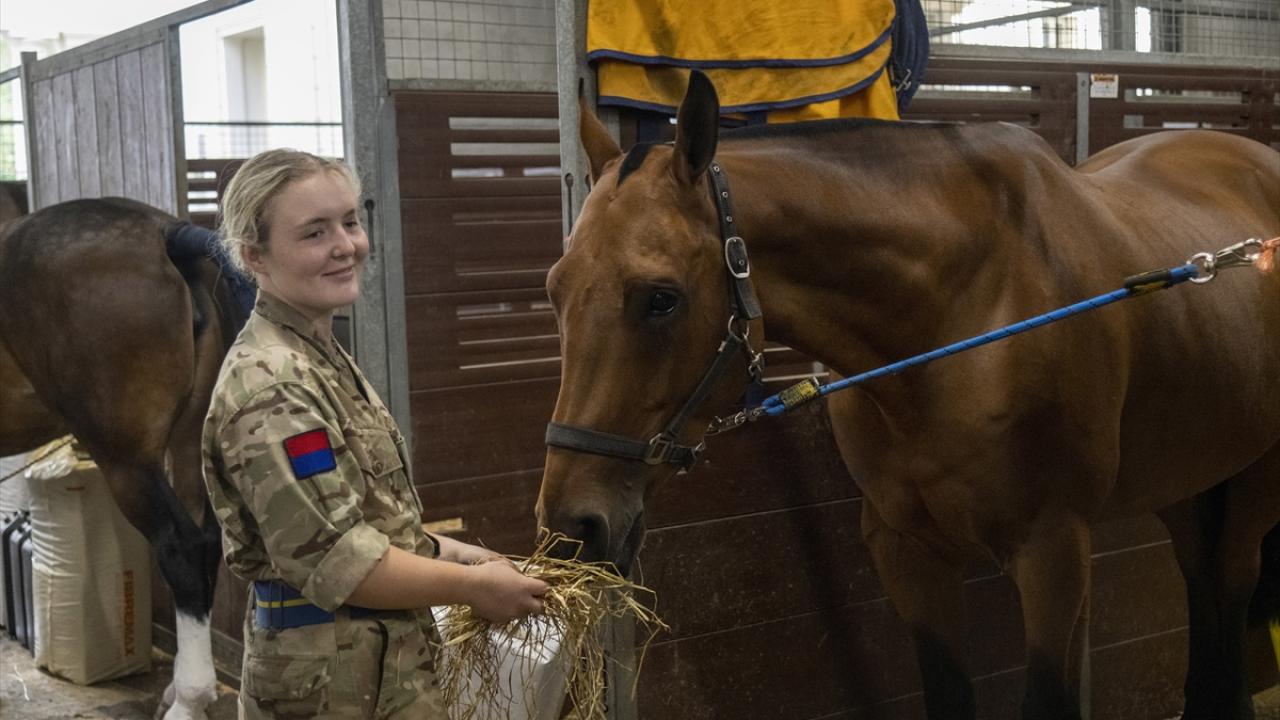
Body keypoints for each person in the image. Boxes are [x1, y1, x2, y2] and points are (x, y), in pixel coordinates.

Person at [202, 148, 548, 719]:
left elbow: (361, 521)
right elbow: (337, 560)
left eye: (350, 221)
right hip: (331, 689)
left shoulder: (317, 354)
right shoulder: (272, 386)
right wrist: (471, 588)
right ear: (254, 256)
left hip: (375, 670)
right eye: (314, 233)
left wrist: (455, 554)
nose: (345, 245)